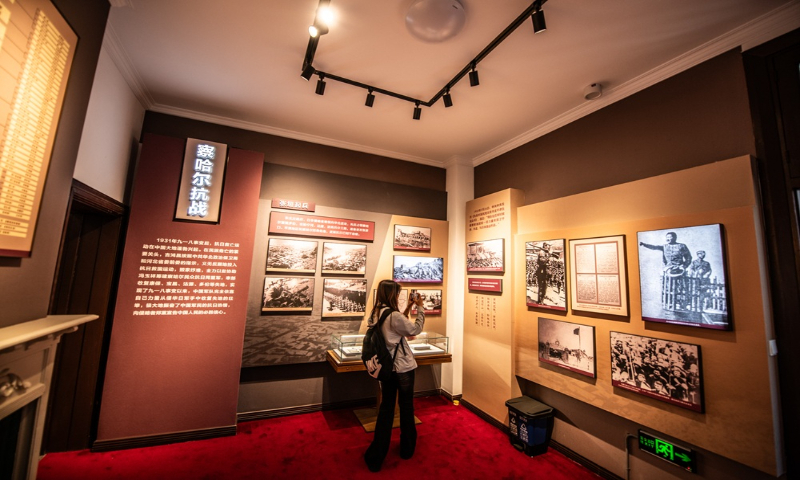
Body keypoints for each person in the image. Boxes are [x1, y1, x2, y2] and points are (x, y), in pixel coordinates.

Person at [363, 279, 425, 472]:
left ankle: (377, 453)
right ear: (392, 294)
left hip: (387, 368)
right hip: (403, 368)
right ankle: (407, 448)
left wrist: (407, 308)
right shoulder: (394, 315)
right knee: (406, 407)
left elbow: (395, 326)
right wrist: (420, 308)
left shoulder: (376, 312)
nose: (399, 296)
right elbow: (414, 329)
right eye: (397, 293)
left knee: (386, 409)